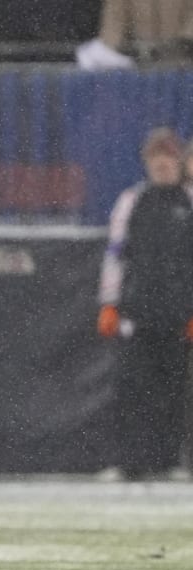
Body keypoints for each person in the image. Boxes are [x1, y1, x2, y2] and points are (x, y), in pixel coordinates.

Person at [97, 126, 193, 481]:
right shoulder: (132, 201)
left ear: (178, 162)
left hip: (179, 315)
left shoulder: (189, 202)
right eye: (156, 159)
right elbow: (115, 255)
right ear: (147, 163)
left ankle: (170, 461)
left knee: (175, 391)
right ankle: (130, 462)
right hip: (137, 313)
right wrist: (109, 303)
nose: (163, 165)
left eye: (168, 158)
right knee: (133, 389)